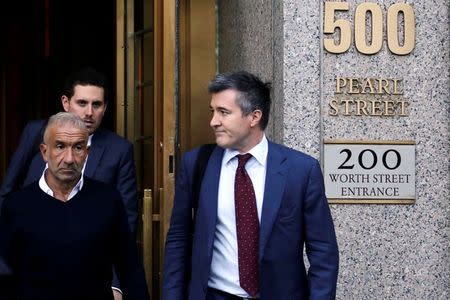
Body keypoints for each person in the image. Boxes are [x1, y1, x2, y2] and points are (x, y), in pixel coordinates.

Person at [163, 71, 339, 299]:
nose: (213, 121)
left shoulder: (301, 170)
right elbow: (179, 239)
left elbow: (323, 251)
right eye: (213, 111)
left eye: (223, 112)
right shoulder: (196, 163)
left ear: (254, 117)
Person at [0, 67, 137, 298]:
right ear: (66, 102)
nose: (89, 113)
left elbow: (125, 224)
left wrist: (114, 284)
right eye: (82, 103)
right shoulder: (37, 132)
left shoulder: (119, 150)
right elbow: (8, 191)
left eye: (97, 105)